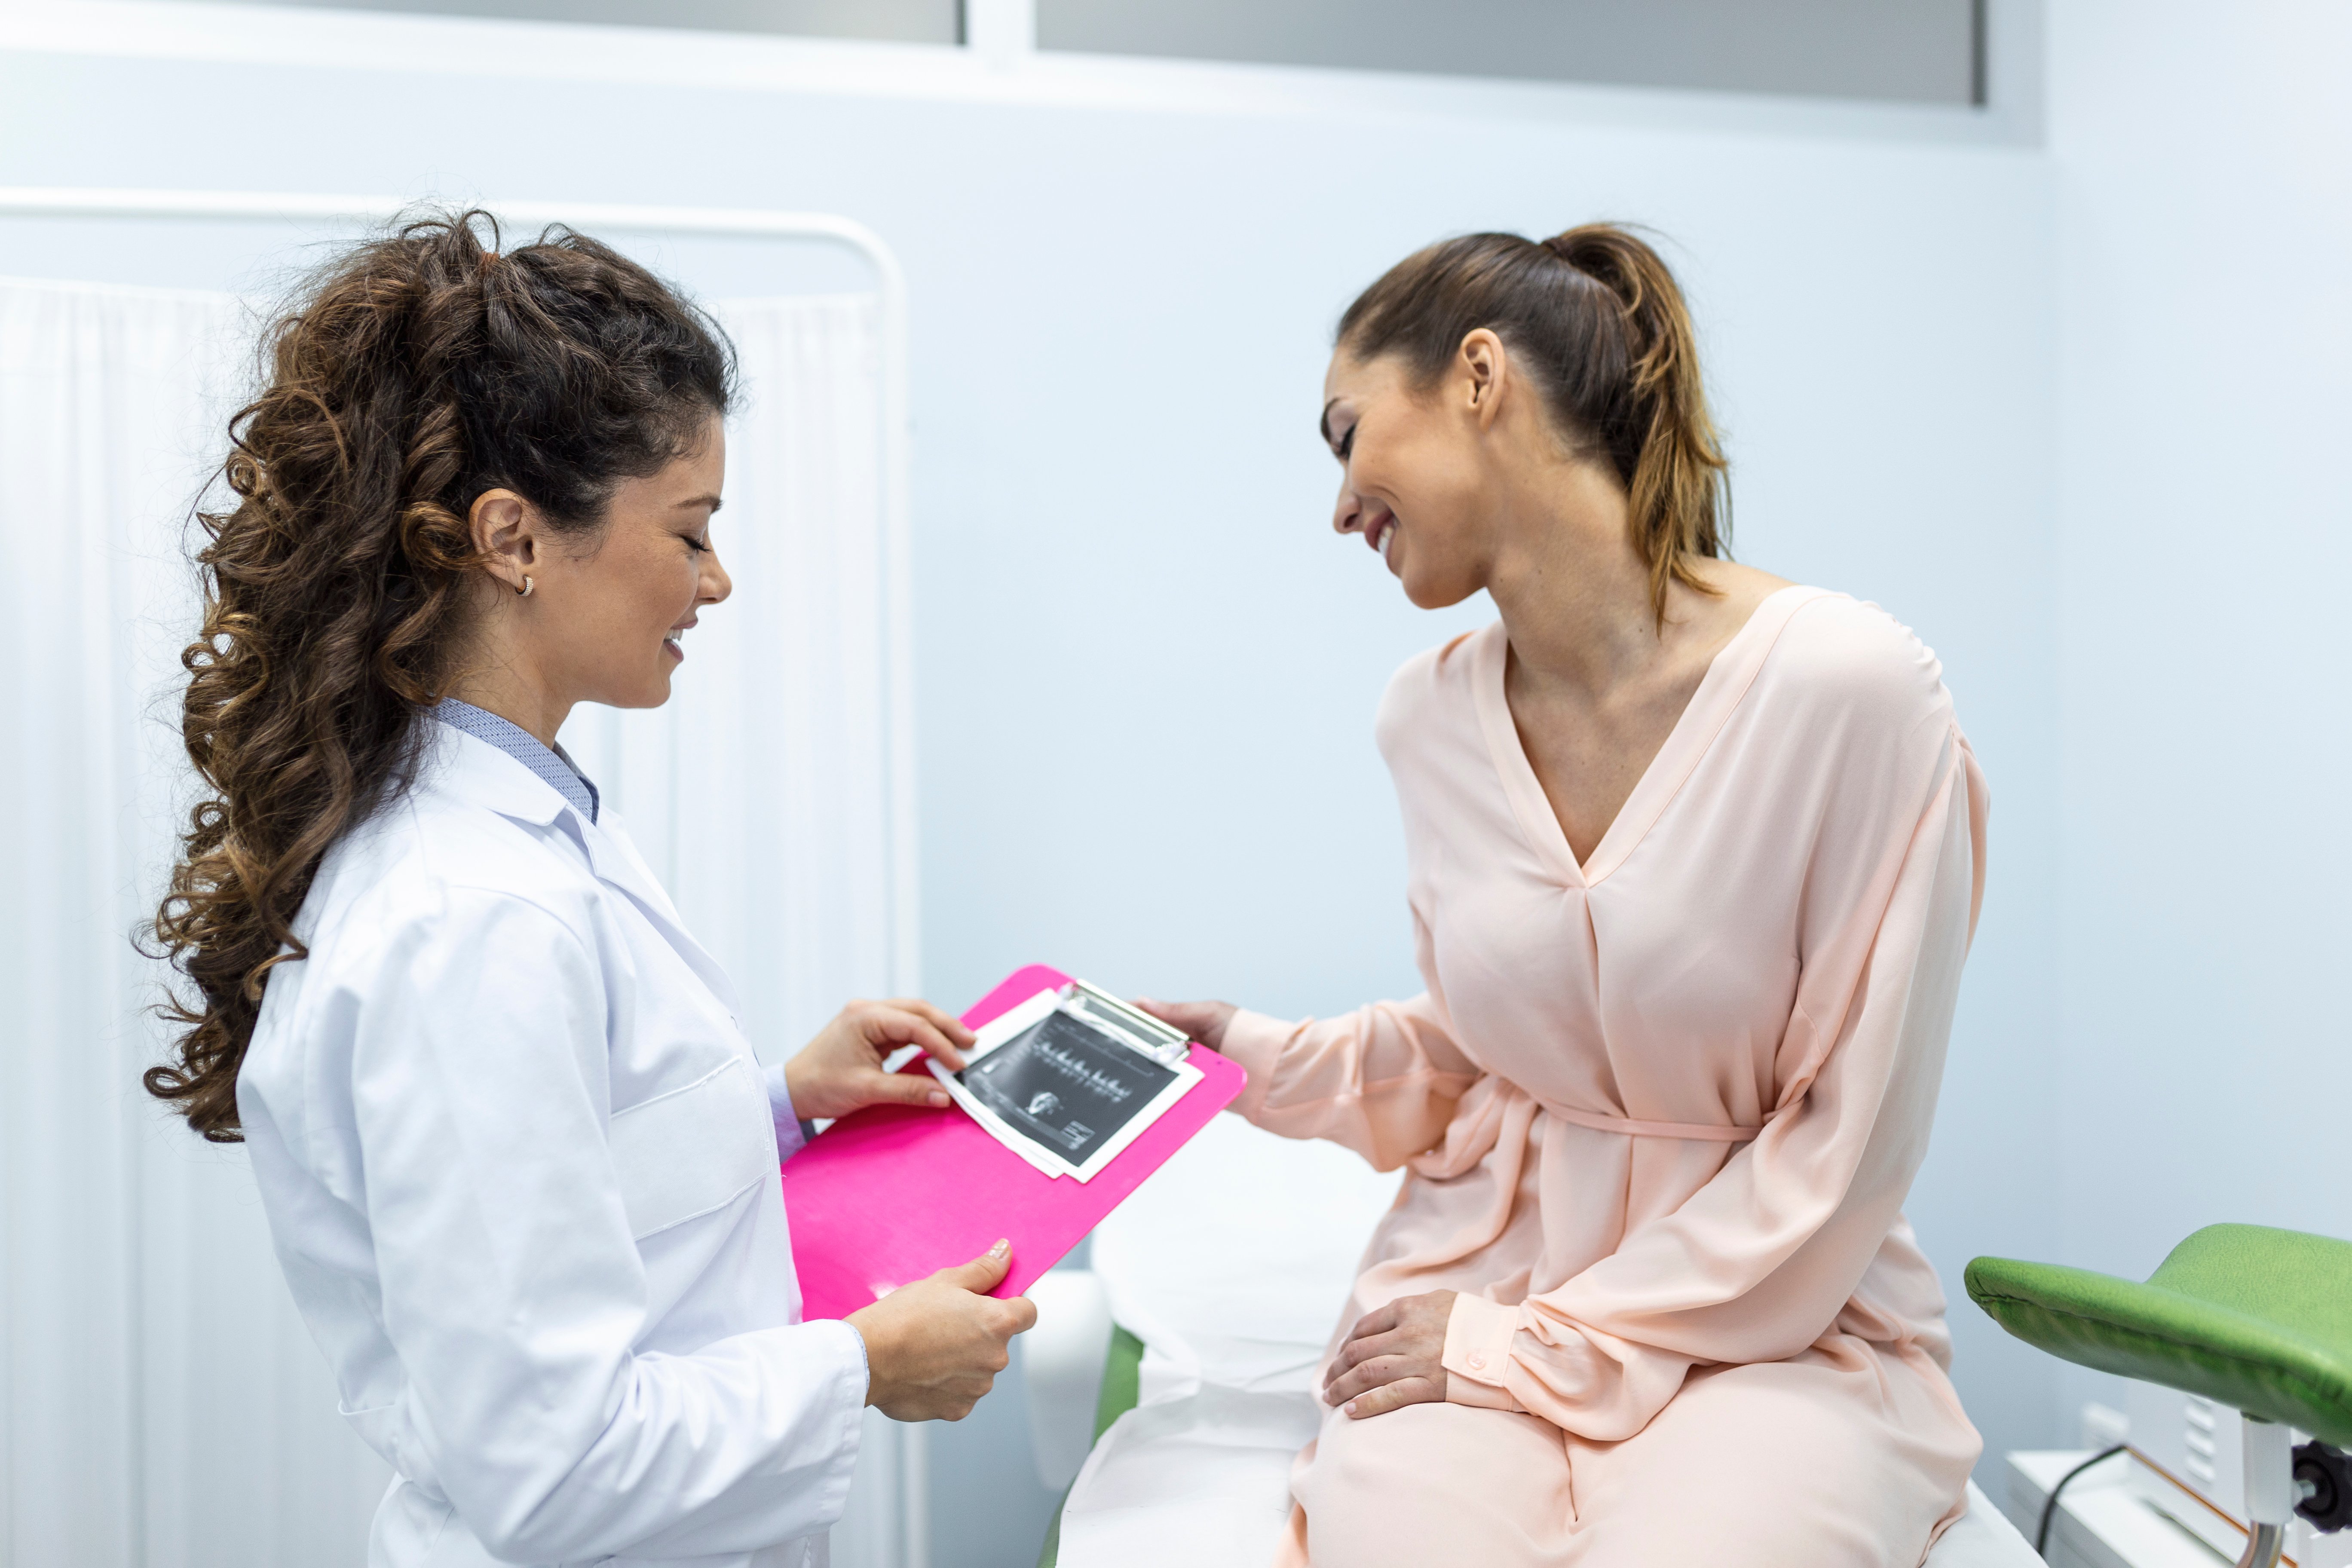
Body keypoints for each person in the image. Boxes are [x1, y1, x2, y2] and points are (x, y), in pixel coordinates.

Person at [141, 212, 1034, 1568]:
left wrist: (780, 1106)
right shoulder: (469, 916)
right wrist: (861, 1366)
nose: (715, 581)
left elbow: (560, 1178)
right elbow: (553, 1469)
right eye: (691, 532)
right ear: (512, 539)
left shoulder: (516, 829)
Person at [1141, 226, 1987, 1567]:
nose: (1341, 501)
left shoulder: (1849, 688)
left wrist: (1534, 1345)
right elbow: (1506, 1055)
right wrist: (1249, 1056)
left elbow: (1848, 1140)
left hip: (1766, 1321)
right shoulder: (1426, 718)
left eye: (1346, 432)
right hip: (1486, 1276)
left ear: (1478, 379)